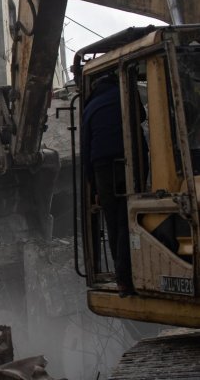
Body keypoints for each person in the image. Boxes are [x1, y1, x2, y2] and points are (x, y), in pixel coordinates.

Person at [81, 74, 134, 297]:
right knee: (129, 219)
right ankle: (132, 273)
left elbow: (85, 151)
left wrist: (93, 189)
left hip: (102, 169)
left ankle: (122, 280)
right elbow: (139, 117)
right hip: (130, 161)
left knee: (113, 222)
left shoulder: (90, 107)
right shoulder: (125, 94)